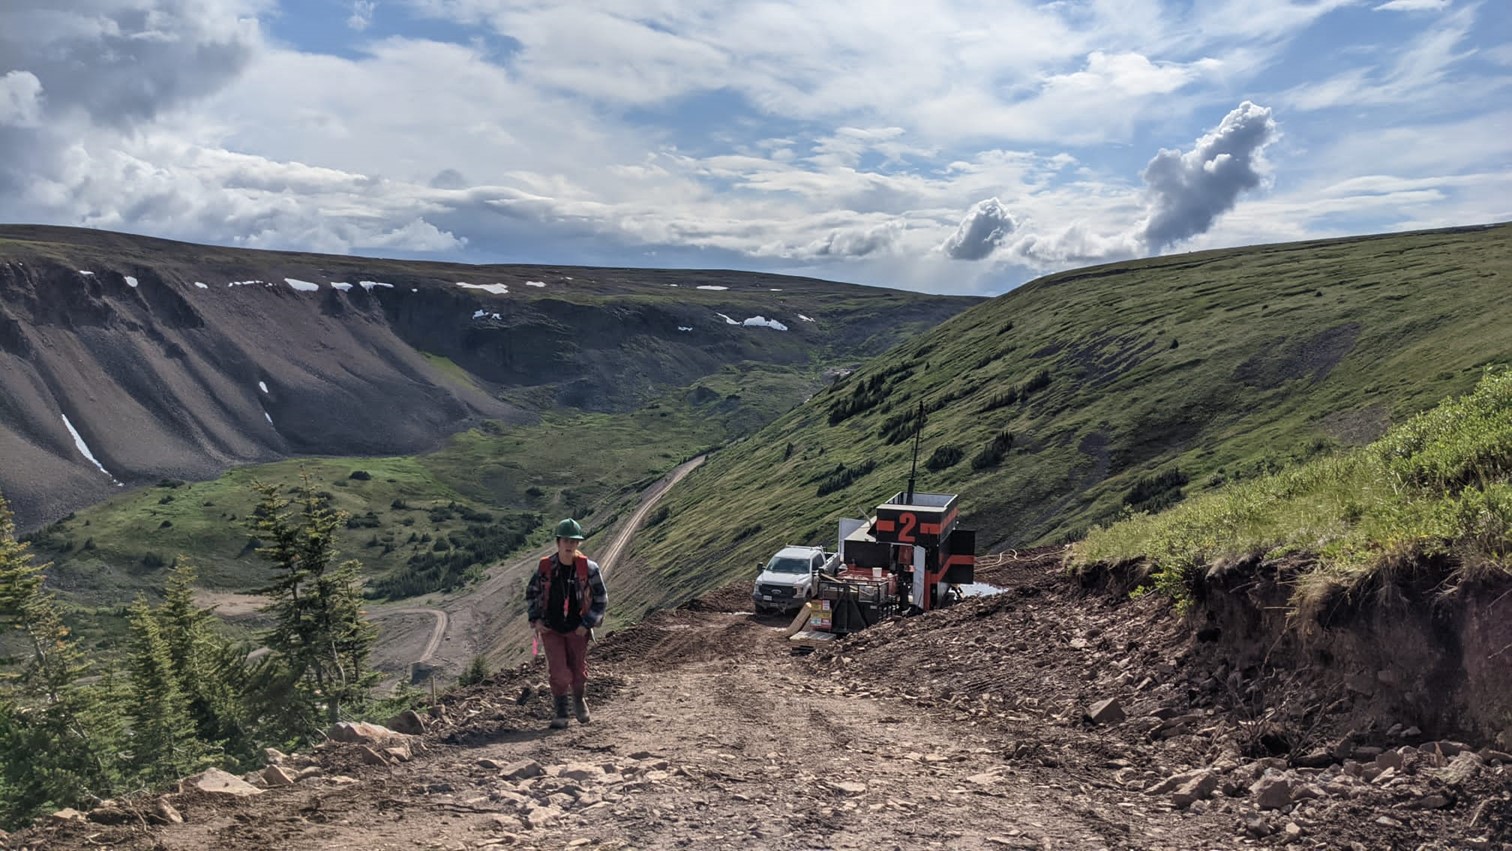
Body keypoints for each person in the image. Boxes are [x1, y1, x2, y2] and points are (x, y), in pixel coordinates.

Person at [526, 518, 607, 729]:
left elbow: (601, 599)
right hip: (551, 628)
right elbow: (532, 593)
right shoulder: (545, 567)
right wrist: (536, 620)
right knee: (559, 673)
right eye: (566, 540)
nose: (570, 545)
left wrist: (587, 623)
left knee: (578, 672)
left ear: (578, 544)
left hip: (578, 629)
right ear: (558, 542)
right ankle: (561, 711)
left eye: (574, 541)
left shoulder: (588, 569)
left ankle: (579, 700)